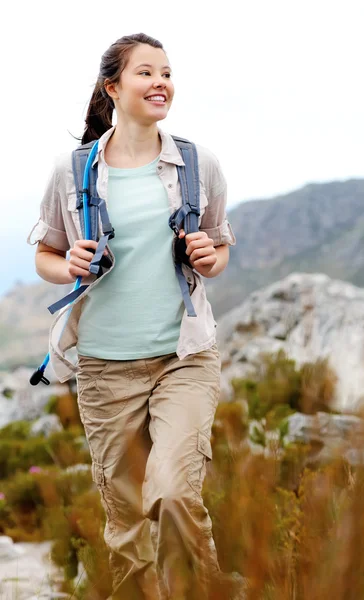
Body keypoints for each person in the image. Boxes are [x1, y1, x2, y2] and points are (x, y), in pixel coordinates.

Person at [28, 33, 240, 600]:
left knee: (173, 492)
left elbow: (219, 250)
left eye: (166, 72)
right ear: (112, 88)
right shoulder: (74, 172)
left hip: (183, 358)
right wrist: (68, 263)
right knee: (126, 524)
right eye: (145, 72)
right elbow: (45, 254)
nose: (160, 82)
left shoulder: (197, 163)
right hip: (103, 368)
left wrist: (207, 257)